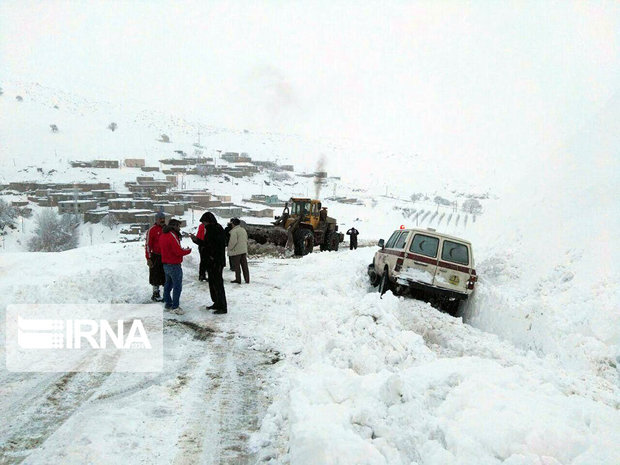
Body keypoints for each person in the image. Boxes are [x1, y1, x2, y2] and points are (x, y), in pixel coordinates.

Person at [190, 212, 227, 314]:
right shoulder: (217, 228)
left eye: (204, 222)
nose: (204, 224)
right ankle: (217, 303)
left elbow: (209, 245)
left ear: (209, 221)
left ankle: (222, 306)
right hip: (215, 261)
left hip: (215, 261)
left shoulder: (213, 230)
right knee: (213, 283)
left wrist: (197, 240)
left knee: (217, 284)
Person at [160, 219, 191, 314]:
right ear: (174, 226)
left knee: (168, 285)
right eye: (178, 226)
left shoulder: (163, 235)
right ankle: (175, 307)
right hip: (174, 265)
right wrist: (188, 251)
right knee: (177, 286)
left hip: (166, 264)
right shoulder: (172, 235)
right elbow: (178, 251)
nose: (179, 228)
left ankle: (168, 303)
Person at [145, 212, 166, 301]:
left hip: (165, 256)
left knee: (165, 275)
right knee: (155, 275)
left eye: (163, 218)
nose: (162, 220)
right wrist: (148, 258)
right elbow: (148, 245)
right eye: (160, 219)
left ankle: (166, 294)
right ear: (156, 220)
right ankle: (155, 293)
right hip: (155, 256)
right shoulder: (152, 230)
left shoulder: (166, 229)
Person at [227, 218, 250, 284]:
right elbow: (246, 239)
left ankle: (238, 279)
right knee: (245, 266)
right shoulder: (243, 230)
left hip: (236, 251)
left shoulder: (234, 231)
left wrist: (229, 248)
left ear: (233, 224)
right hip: (243, 250)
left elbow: (233, 242)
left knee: (237, 266)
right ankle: (247, 279)